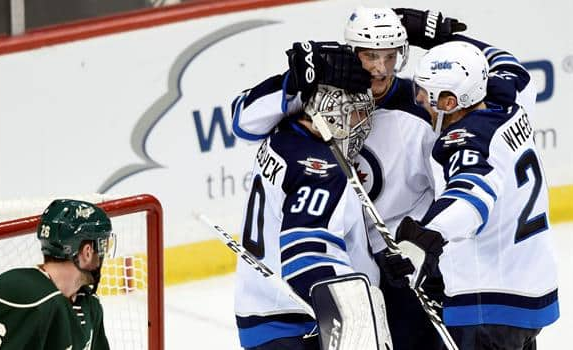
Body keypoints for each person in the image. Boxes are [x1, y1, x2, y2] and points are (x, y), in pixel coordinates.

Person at [231, 6, 467, 350]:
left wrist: (426, 245)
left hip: (407, 269)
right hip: (341, 277)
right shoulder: (317, 97)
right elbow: (241, 121)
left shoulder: (422, 107)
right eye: (371, 55)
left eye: (390, 56)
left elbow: (454, 184)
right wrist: (296, 78)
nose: (381, 69)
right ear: (351, 51)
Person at [395, 27, 560, 349]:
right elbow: (510, 65)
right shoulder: (511, 105)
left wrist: (424, 239)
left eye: (426, 92)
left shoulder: (464, 140)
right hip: (530, 291)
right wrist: (439, 35)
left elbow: (470, 194)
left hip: (487, 303)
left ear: (450, 100)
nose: (417, 98)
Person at [234, 81, 393, 349]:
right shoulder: (322, 168)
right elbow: (305, 254)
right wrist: (355, 311)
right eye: (355, 112)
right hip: (296, 321)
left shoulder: (281, 136)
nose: (363, 122)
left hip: (259, 311)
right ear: (330, 113)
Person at [0, 199, 113, 350]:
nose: (103, 254)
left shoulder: (89, 304)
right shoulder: (30, 298)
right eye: (102, 245)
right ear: (87, 252)